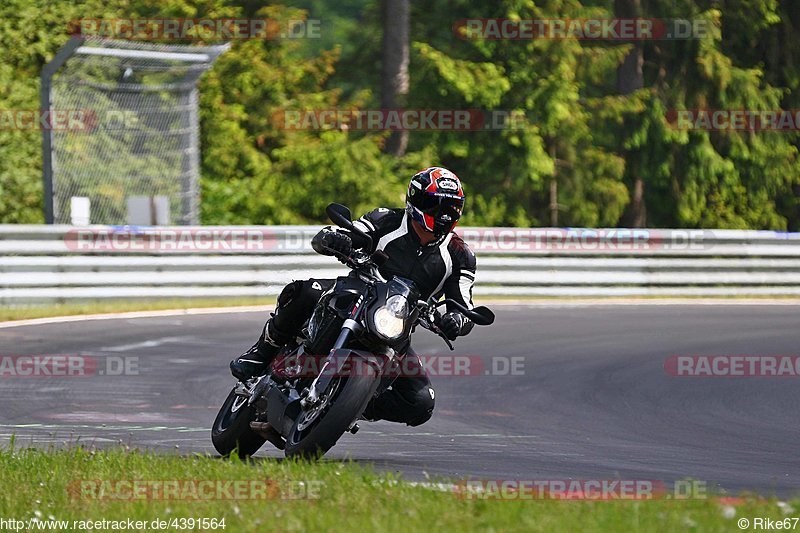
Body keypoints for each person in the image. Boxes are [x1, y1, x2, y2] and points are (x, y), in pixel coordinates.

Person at [230, 166, 477, 427]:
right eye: (436, 205)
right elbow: (348, 232)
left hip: (395, 326)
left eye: (451, 208)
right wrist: (336, 238)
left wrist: (457, 320)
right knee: (304, 291)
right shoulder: (387, 220)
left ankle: (352, 403)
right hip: (355, 293)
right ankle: (261, 352)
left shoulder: (460, 255)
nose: (443, 214)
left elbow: (464, 304)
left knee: (420, 402)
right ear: (416, 199)